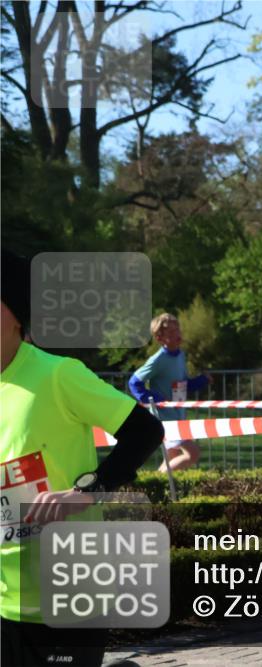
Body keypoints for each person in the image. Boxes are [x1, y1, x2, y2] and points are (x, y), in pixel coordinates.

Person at [1, 248, 164, 667]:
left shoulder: (58, 375)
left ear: (15, 315)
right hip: (5, 603)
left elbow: (145, 432)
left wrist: (83, 492)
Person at [128, 313, 210, 472]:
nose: (177, 334)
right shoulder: (158, 359)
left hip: (179, 415)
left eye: (177, 329)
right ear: (159, 338)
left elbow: (182, 384)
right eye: (171, 332)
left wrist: (201, 380)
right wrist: (152, 398)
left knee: (171, 458)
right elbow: (134, 382)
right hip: (165, 418)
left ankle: (156, 486)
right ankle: (155, 482)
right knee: (192, 454)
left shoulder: (180, 355)